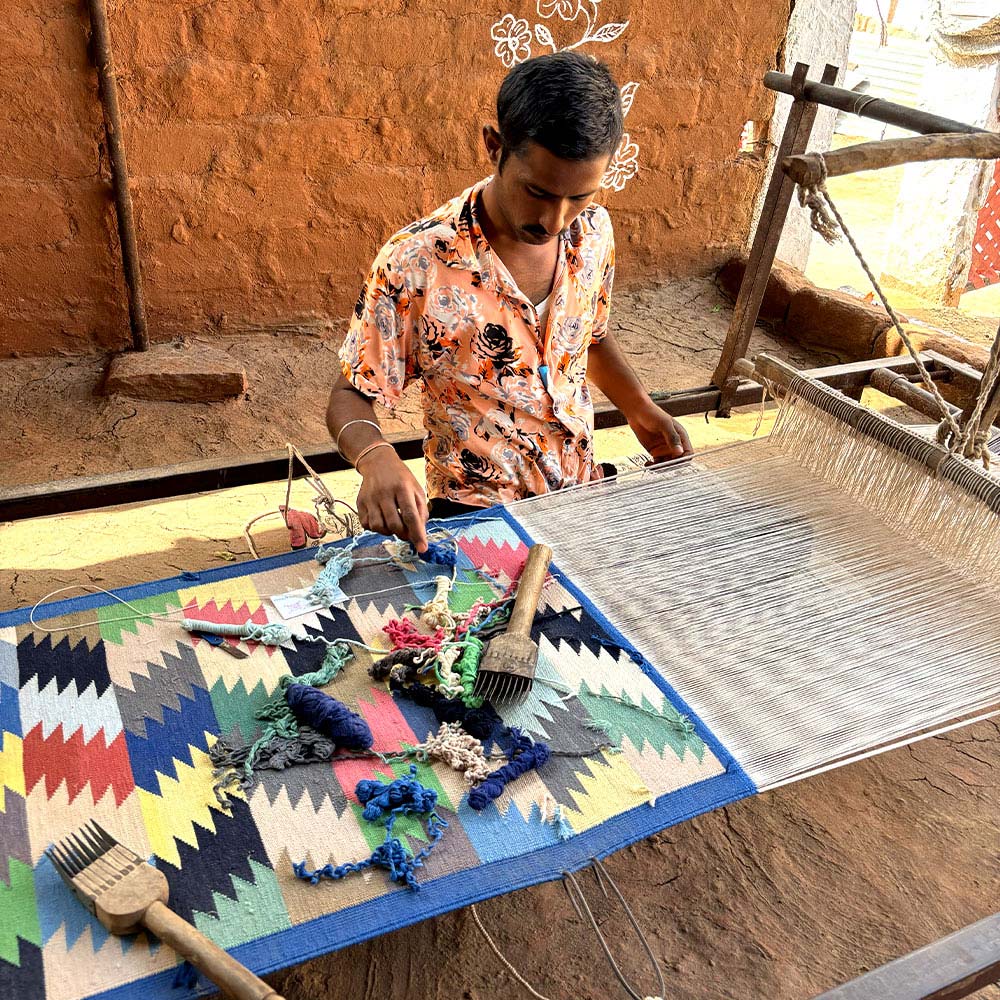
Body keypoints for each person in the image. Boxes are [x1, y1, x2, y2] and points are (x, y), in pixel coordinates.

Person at [327, 51, 692, 553]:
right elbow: (351, 392)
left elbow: (587, 339)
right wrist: (375, 456)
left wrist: (640, 407)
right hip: (477, 517)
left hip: (579, 494)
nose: (555, 220)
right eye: (538, 191)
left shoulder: (593, 234)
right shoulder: (417, 262)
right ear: (494, 146)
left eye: (579, 197)